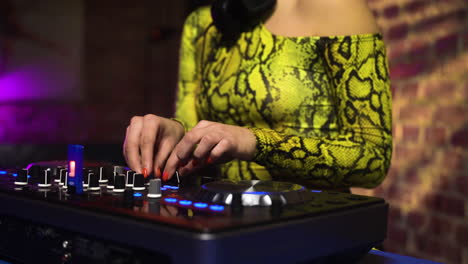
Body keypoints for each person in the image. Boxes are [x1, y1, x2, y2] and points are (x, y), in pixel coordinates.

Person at [124, 0, 392, 190]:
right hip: (224, 225)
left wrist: (254, 142)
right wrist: (175, 133)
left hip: (312, 228)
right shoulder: (201, 23)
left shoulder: (335, 5)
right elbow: (196, 136)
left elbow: (373, 159)